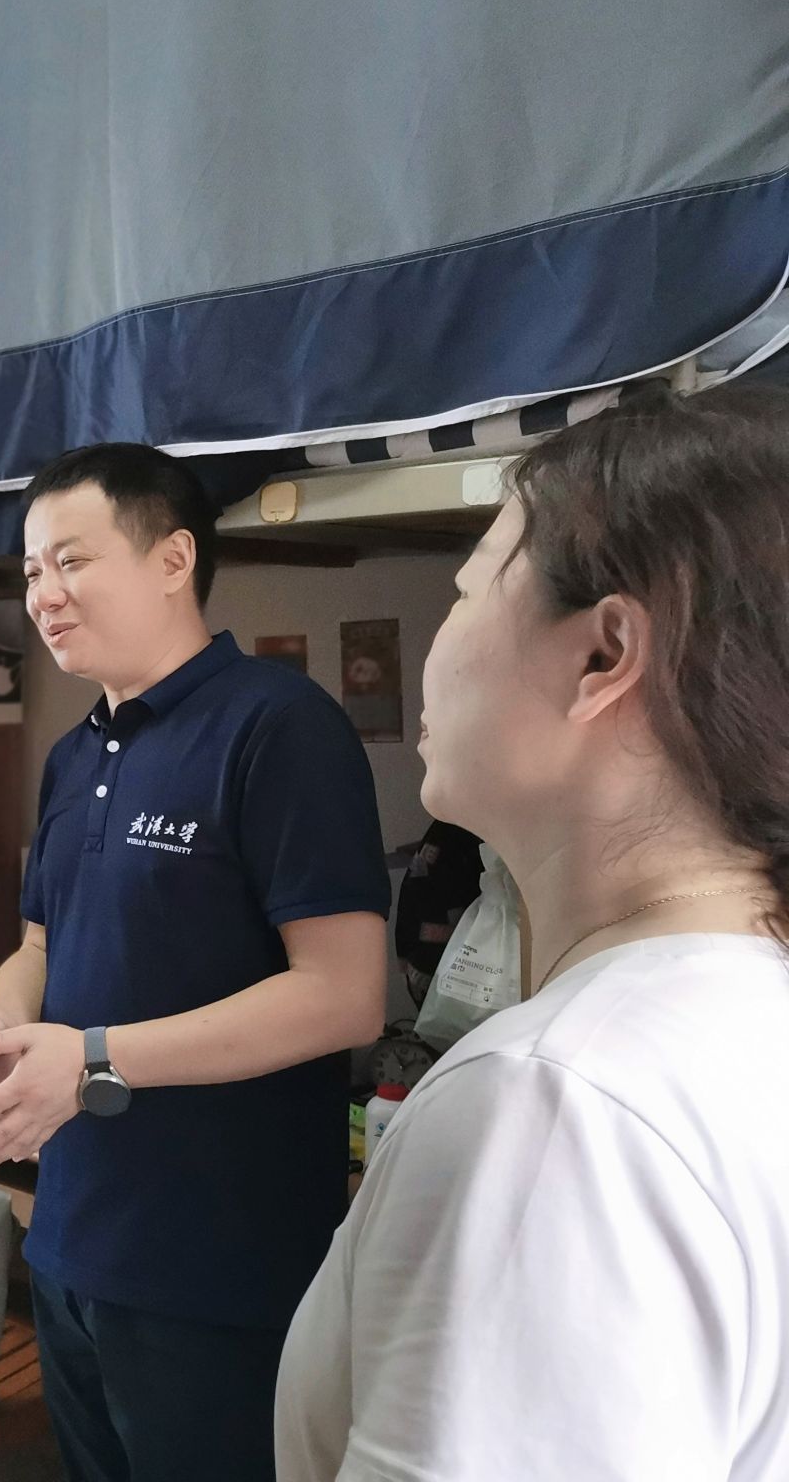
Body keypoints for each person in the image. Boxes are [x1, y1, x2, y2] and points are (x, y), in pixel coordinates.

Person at [275, 384, 789, 1479]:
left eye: (466, 589)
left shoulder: (554, 1108)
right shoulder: (741, 1006)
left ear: (604, 655)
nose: (440, 635)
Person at [0, 443, 391, 1482]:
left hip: (218, 1269)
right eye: (30, 571)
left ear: (173, 558)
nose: (43, 595)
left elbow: (344, 996)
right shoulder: (73, 754)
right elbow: (39, 946)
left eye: (71, 561)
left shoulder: (278, 727)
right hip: (70, 1243)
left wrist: (93, 1059)